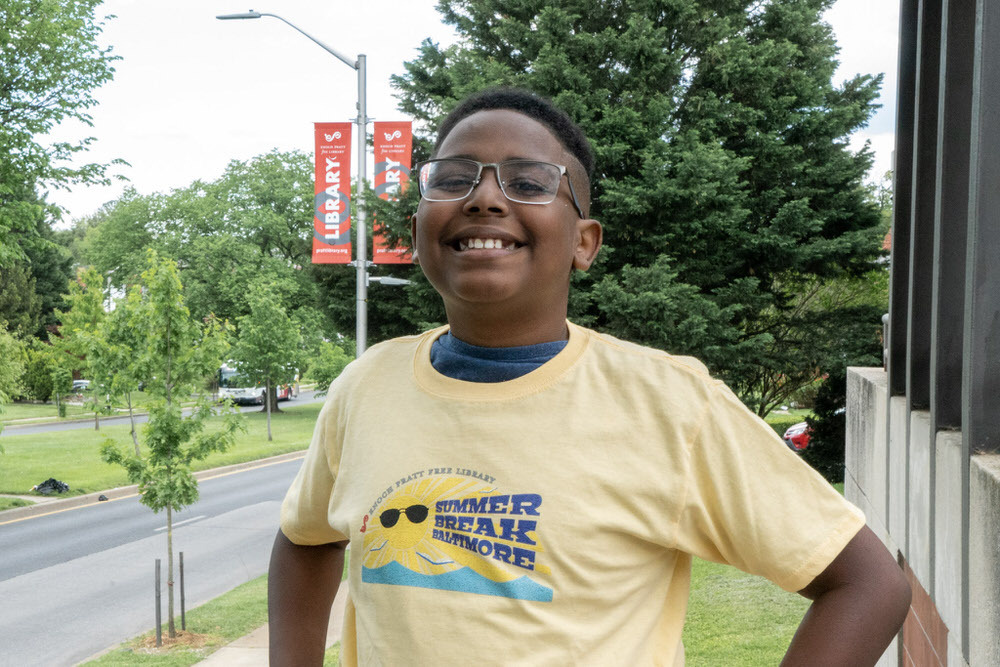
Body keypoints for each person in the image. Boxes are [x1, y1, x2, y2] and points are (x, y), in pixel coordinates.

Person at [269, 87, 911, 666]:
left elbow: (867, 584)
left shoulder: (670, 405)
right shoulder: (365, 388)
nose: (485, 197)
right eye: (455, 178)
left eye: (527, 182)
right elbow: (304, 540)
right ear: (418, 230)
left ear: (584, 241)